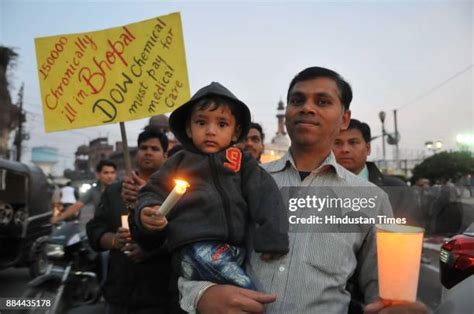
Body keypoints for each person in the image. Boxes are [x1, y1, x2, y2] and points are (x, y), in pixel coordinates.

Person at [178, 67, 428, 314]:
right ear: (286, 114)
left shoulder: (370, 199)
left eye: (322, 101)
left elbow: (383, 294)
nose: (307, 108)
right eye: (297, 100)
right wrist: (201, 295)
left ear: (344, 119)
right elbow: (195, 248)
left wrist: (398, 308)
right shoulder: (239, 181)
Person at [133, 82, 289, 290]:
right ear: (189, 128)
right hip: (194, 247)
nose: (210, 131)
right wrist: (147, 211)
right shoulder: (178, 162)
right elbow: (151, 191)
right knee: (245, 290)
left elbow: (267, 198)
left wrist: (273, 239)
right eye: (201, 123)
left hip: (236, 250)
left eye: (222, 124)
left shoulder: (242, 163)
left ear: (236, 132)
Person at [87, 129, 183, 314]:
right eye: (143, 147)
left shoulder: (175, 193)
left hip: (160, 294)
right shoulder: (114, 192)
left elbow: (185, 234)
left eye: (154, 149)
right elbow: (95, 229)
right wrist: (114, 240)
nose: (147, 152)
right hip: (119, 291)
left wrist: (151, 249)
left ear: (165, 156)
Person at [333, 119, 421, 225]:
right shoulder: (313, 187)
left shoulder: (399, 191)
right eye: (337, 143)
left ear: (368, 148)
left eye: (353, 142)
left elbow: (409, 235)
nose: (345, 149)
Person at [51, 160, 117, 227]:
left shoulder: (121, 189)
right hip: (102, 227)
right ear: (98, 175)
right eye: (106, 173)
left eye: (112, 173)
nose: (110, 176)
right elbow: (77, 206)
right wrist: (59, 218)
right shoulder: (93, 191)